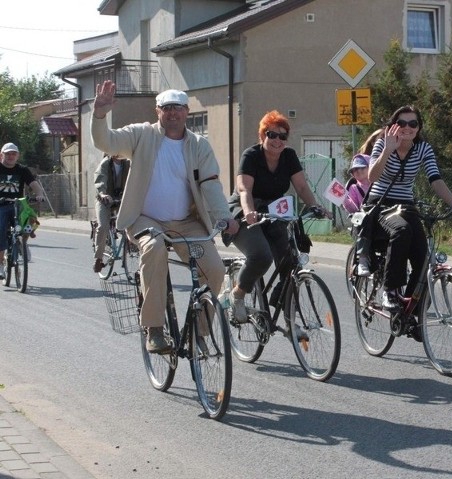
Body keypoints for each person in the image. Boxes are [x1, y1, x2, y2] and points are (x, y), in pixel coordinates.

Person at [90, 80, 239, 353]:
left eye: (178, 108)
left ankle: (199, 333)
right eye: (166, 108)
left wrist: (225, 217)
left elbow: (210, 184)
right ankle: (154, 329)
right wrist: (100, 114)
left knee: (215, 270)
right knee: (155, 247)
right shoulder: (141, 135)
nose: (172, 113)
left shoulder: (198, 145)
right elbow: (107, 141)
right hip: (145, 219)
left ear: (187, 112)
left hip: (186, 222)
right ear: (157, 111)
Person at [227, 110, 329, 328]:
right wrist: (248, 212)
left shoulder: (289, 156)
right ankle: (237, 294)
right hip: (246, 212)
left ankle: (285, 313)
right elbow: (244, 189)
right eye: (272, 135)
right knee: (261, 255)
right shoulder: (251, 156)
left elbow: (301, 186)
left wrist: (315, 205)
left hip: (273, 212)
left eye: (283, 136)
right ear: (263, 135)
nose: (277, 141)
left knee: (290, 261)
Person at [368, 105, 452, 310]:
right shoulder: (383, 143)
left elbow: (435, 179)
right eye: (401, 123)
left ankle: (411, 312)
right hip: (381, 204)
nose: (407, 128)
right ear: (393, 126)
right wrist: (387, 150)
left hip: (406, 206)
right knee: (401, 230)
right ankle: (390, 291)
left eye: (413, 123)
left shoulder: (423, 148)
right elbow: (371, 177)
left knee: (423, 258)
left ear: (419, 127)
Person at [0, 143, 45, 280]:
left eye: (13, 154)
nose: (10, 156)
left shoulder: (22, 170)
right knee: (0, 230)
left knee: (30, 220)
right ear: (2, 155)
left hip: (18, 204)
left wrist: (39, 194)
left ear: (17, 156)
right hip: (1, 206)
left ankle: (23, 243)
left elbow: (34, 184)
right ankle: (1, 264)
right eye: (7, 154)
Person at [92, 153, 130, 273]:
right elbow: (100, 179)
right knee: (103, 226)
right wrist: (103, 194)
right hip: (104, 200)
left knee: (134, 221)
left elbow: (137, 178)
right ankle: (98, 259)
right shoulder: (105, 163)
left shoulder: (128, 163)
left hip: (121, 199)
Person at [342, 153, 372, 275]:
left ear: (370, 167)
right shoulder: (354, 188)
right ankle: (363, 259)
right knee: (365, 219)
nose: (357, 171)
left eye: (361, 168)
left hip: (380, 217)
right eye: (354, 170)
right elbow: (352, 208)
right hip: (362, 219)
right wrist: (344, 199)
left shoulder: (379, 184)